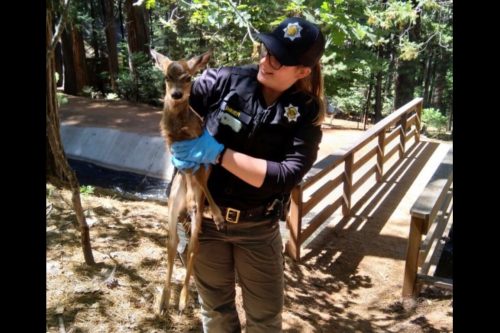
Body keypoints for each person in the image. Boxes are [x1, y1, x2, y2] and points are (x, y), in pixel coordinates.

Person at [170, 16, 326, 333]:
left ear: (302, 71)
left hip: (258, 228)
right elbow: (177, 103)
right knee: (215, 311)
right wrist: (177, 135)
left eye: (279, 59)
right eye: (266, 50)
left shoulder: (306, 112)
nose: (266, 61)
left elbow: (286, 175)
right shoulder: (225, 80)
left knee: (265, 321)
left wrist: (218, 153)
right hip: (206, 224)